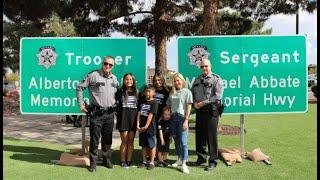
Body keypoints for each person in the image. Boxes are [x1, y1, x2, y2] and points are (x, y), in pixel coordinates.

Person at [76, 56, 118, 172]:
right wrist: (81, 105)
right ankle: (93, 163)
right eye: (106, 63)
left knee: (107, 139)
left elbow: (116, 95)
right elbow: (79, 87)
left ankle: (106, 160)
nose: (108, 66)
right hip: (97, 114)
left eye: (110, 65)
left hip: (110, 114)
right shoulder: (93, 75)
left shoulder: (114, 78)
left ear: (113, 66)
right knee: (95, 140)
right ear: (102, 63)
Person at [191, 58, 224, 171]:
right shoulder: (197, 79)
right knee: (199, 137)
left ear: (210, 66)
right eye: (202, 66)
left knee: (211, 138)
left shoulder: (216, 79)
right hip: (200, 112)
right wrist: (195, 103)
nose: (204, 68)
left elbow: (217, 96)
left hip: (211, 112)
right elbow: (192, 93)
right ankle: (201, 158)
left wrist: (201, 103)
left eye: (206, 66)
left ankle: (213, 161)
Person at [166, 73, 193, 174]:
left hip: (182, 119)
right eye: (175, 81)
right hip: (173, 119)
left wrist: (186, 120)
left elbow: (189, 107)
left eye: (178, 80)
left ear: (182, 81)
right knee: (176, 140)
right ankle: (179, 159)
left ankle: (184, 164)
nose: (177, 82)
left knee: (183, 142)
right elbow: (168, 106)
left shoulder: (187, 92)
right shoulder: (172, 93)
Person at [116, 73, 138, 168]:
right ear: (124, 81)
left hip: (133, 120)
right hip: (123, 119)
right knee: (124, 141)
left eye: (130, 79)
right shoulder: (119, 92)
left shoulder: (137, 92)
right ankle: (122, 161)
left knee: (131, 141)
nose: (129, 81)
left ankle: (129, 160)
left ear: (133, 81)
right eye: (127, 79)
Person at [137, 85, 158, 170]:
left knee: (152, 145)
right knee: (144, 145)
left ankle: (152, 162)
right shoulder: (142, 102)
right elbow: (138, 114)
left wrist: (146, 126)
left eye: (149, 91)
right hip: (142, 128)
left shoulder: (154, 103)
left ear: (154, 93)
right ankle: (144, 161)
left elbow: (151, 115)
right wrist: (138, 125)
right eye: (146, 91)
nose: (147, 93)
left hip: (150, 128)